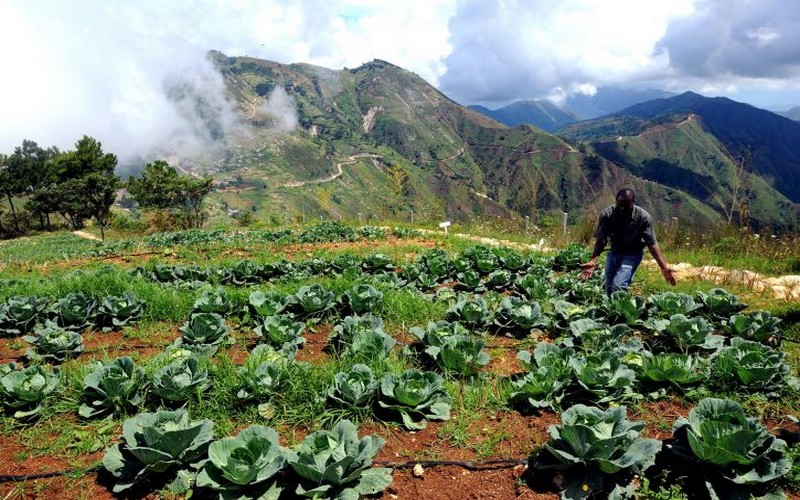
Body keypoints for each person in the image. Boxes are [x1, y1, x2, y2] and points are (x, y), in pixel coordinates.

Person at [580, 188, 676, 294]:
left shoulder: (643, 218)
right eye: (619, 204)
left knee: (618, 286)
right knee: (609, 289)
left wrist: (664, 267)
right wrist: (593, 261)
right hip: (614, 252)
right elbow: (601, 240)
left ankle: (623, 308)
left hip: (632, 254)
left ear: (633, 203)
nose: (621, 209)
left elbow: (651, 243)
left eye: (625, 205)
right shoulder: (607, 215)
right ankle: (616, 310)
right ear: (616, 201)